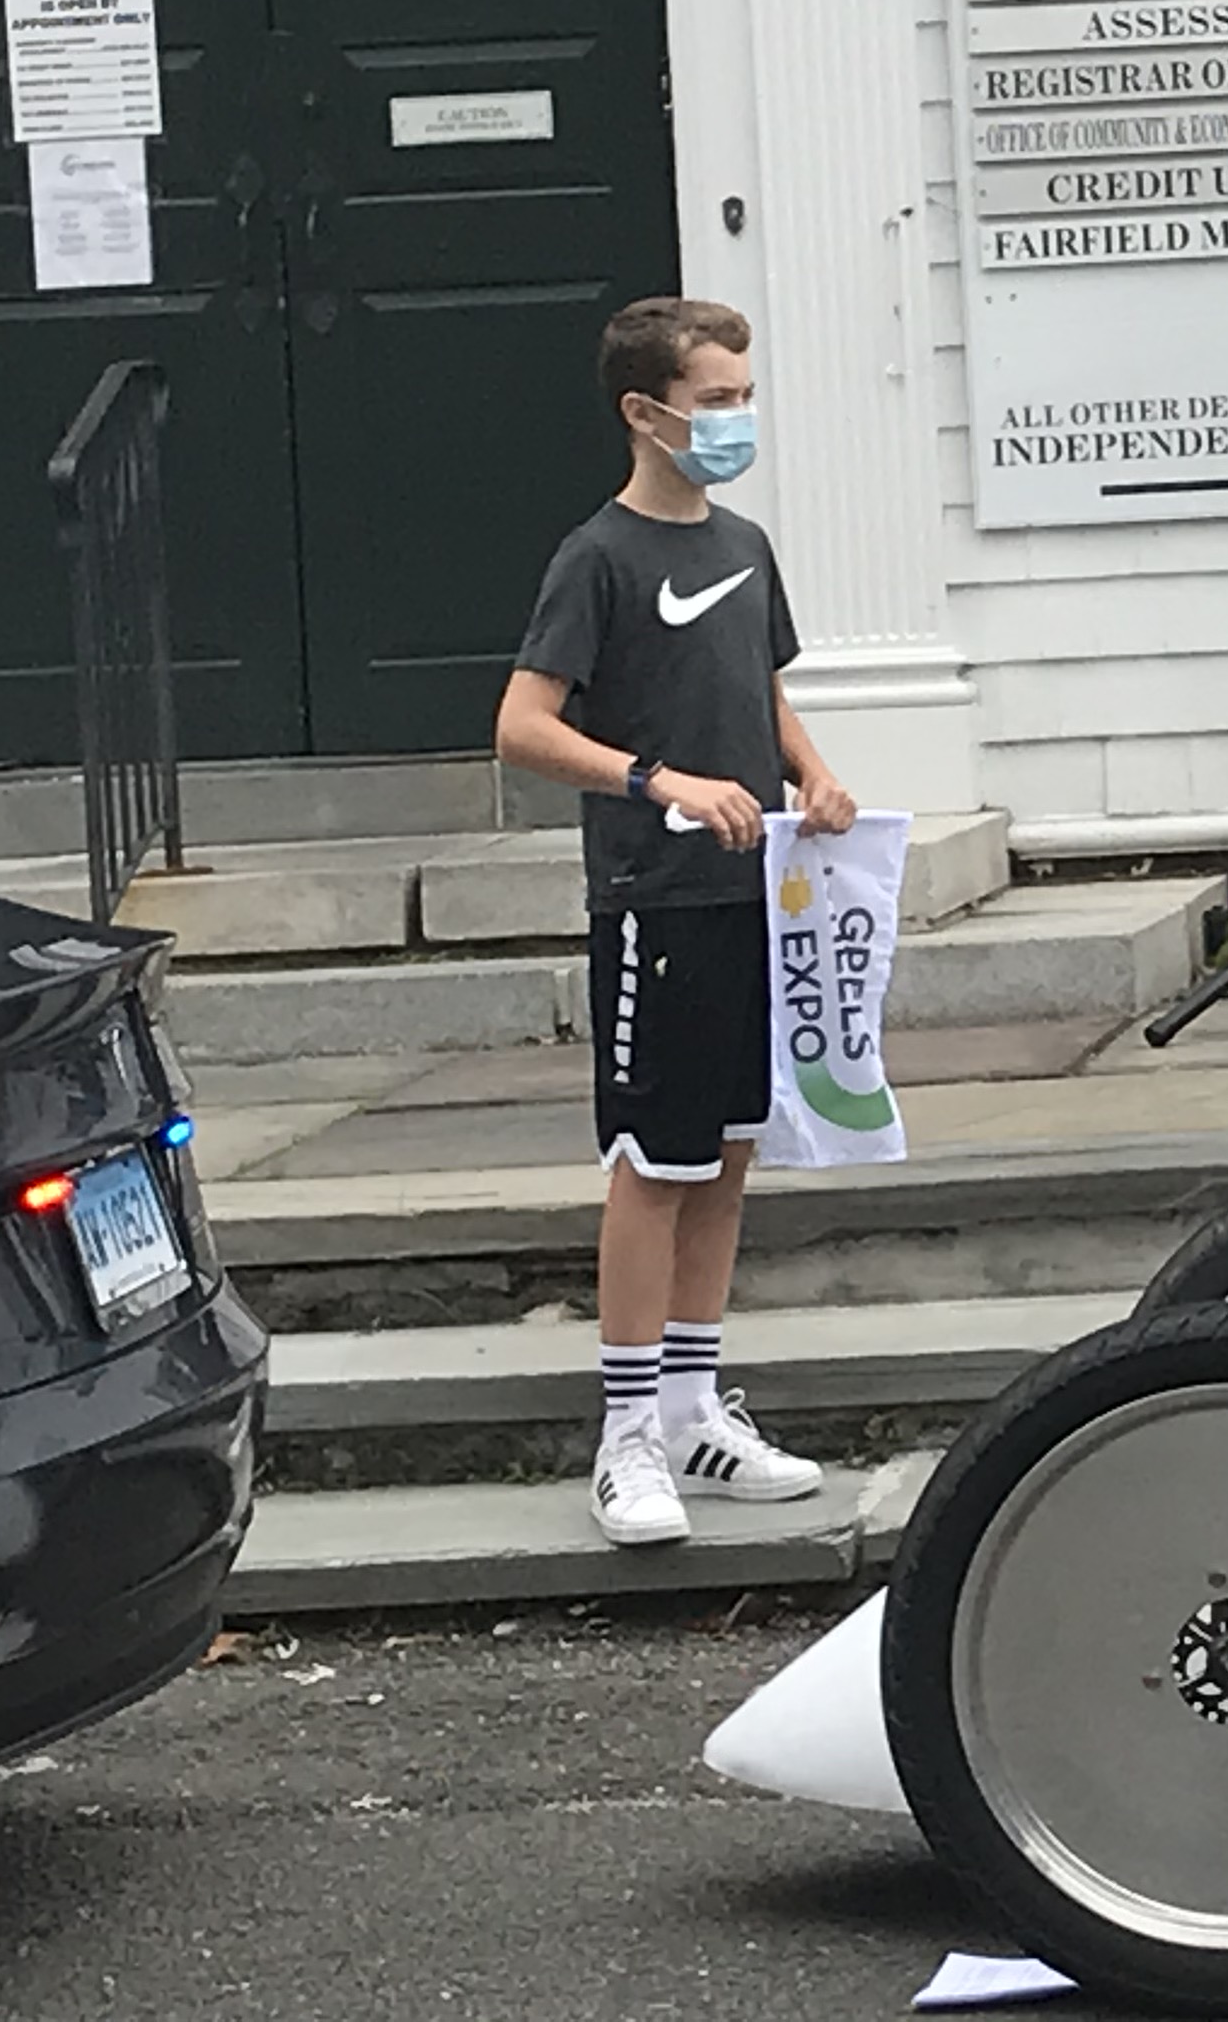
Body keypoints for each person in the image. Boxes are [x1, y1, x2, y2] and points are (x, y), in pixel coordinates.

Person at [494, 298, 853, 1549]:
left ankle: (699, 1408)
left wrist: (808, 770)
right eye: (715, 400)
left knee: (732, 1152)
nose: (736, 419)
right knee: (658, 1162)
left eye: (744, 395)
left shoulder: (746, 544)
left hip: (759, 895)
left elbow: (759, 687)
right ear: (646, 413)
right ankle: (628, 1433)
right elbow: (523, 726)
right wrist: (657, 781)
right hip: (658, 900)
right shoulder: (595, 558)